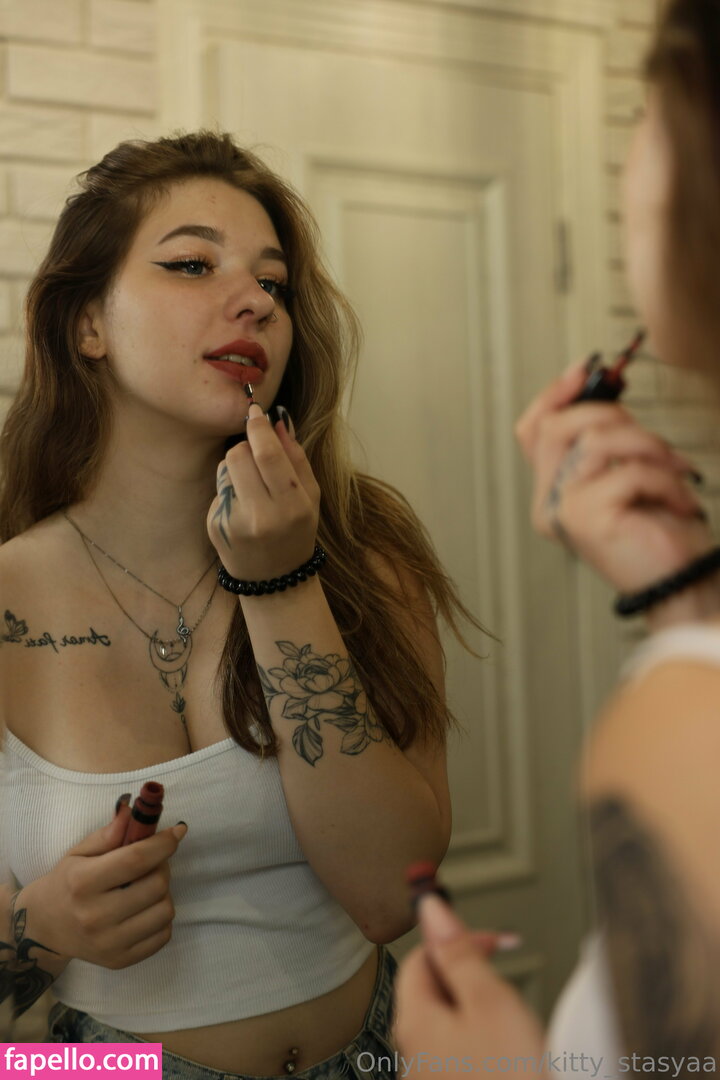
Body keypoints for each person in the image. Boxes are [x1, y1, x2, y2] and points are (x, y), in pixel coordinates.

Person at [0, 131, 490, 1079]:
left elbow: (391, 899)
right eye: (192, 264)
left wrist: (280, 583)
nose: (256, 300)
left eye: (274, 282)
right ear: (86, 323)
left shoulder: (364, 550)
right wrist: (40, 926)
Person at [394, 0, 720, 1074]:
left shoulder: (683, 728)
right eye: (189, 265)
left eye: (644, 114)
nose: (251, 305)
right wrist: (683, 601)